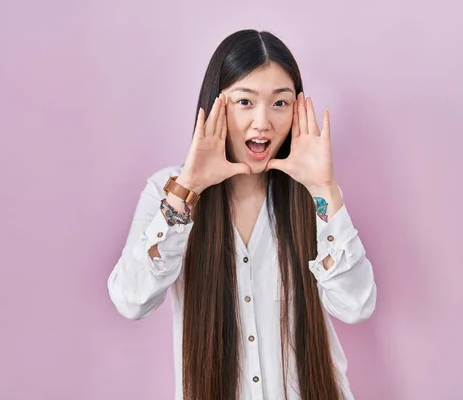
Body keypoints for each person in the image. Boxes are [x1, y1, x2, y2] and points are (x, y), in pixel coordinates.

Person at [107, 29, 377, 400]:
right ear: (216, 104)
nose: (263, 122)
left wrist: (324, 189)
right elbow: (131, 299)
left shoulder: (315, 196)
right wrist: (189, 189)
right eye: (245, 102)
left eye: (279, 103)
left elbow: (356, 305)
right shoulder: (167, 191)